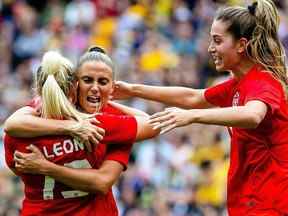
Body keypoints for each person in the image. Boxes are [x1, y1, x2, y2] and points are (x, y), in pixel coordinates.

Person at [112, 1, 288, 215]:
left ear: (241, 45)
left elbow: (253, 115)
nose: (210, 48)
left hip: (271, 204)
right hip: (249, 202)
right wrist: (133, 89)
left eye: (217, 41)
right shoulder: (238, 84)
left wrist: (193, 117)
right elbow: (193, 97)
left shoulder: (263, 82)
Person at [4, 48, 159, 216]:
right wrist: (106, 99)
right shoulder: (96, 125)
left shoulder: (17, 133)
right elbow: (153, 124)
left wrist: (47, 165)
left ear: (39, 90)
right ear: (75, 88)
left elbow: (16, 164)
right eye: (87, 80)